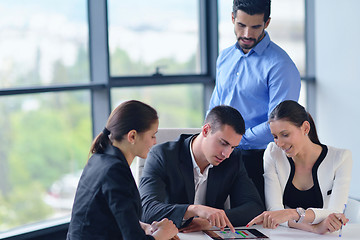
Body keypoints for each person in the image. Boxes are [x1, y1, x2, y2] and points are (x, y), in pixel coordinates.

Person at [208, 0, 301, 203]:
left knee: (253, 223)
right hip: (221, 155)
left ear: (266, 23)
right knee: (212, 217)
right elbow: (215, 108)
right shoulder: (224, 58)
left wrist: (235, 141)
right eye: (241, 25)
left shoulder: (280, 66)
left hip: (258, 160)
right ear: (233, 19)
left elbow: (279, 125)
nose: (247, 34)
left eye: (255, 26)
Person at [139, 105, 264, 233]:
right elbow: (146, 210)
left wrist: (211, 221)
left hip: (207, 235)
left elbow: (254, 207)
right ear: (205, 130)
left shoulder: (233, 159)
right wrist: (195, 210)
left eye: (233, 147)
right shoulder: (162, 155)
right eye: (223, 143)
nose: (226, 154)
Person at [67, 100, 179, 240]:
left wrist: (143, 227)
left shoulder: (99, 158)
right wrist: (162, 235)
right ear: (132, 136)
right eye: (152, 135)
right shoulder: (115, 171)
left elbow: (108, 216)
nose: (155, 142)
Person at [247, 100, 352, 234]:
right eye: (275, 136)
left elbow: (335, 214)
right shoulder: (273, 153)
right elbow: (275, 211)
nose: (279, 143)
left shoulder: (341, 158)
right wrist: (314, 228)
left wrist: (293, 214)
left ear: (305, 128)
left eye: (285, 135)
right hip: (287, 235)